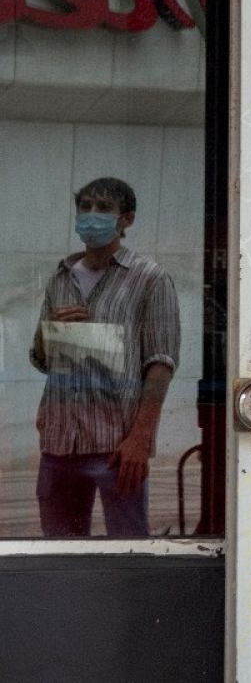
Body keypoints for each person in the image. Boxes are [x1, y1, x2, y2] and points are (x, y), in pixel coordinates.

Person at [28, 177, 179, 537]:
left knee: (128, 550)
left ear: (126, 219)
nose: (91, 216)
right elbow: (41, 360)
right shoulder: (60, 278)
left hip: (117, 446)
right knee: (61, 553)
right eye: (85, 207)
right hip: (60, 443)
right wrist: (49, 329)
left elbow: (160, 363)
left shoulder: (150, 279)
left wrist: (141, 438)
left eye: (104, 208)